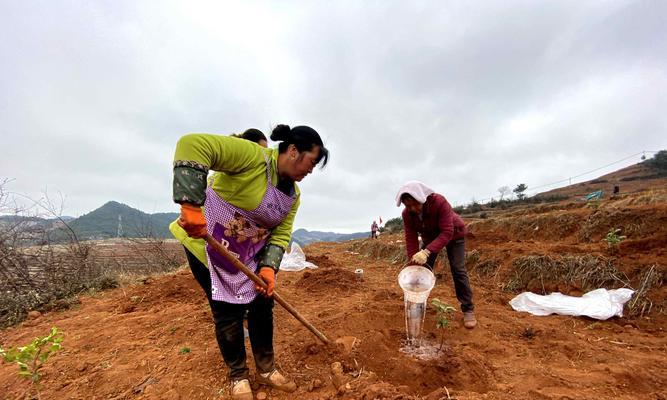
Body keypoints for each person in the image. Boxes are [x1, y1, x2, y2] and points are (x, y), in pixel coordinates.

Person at [170, 125, 329, 400]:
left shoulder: (293, 195)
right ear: (293, 151)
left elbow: (280, 233)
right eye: (311, 162)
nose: (311, 170)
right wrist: (191, 206)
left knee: (262, 304)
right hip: (207, 246)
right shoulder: (252, 156)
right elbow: (192, 145)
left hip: (246, 254)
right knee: (226, 310)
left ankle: (266, 370)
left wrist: (268, 267)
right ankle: (238, 376)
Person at [396, 181, 477, 329]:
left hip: (454, 234)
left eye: (416, 204)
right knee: (420, 270)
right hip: (430, 238)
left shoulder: (439, 202)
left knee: (458, 269)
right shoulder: (407, 214)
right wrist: (413, 261)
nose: (413, 208)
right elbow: (410, 237)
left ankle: (468, 309)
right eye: (408, 206)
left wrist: (427, 252)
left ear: (422, 198)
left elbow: (447, 232)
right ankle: (418, 304)